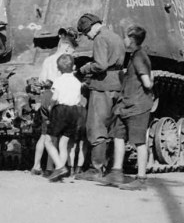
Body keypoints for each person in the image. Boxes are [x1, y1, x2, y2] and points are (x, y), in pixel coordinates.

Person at [74, 13, 125, 181]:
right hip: (116, 84)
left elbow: (101, 65)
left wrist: (84, 69)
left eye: (86, 32)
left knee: (96, 127)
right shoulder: (116, 36)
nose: (87, 37)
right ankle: (110, 166)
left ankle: (95, 169)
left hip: (102, 86)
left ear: (92, 27)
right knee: (112, 129)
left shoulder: (100, 38)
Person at [105, 25, 154, 191]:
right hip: (126, 105)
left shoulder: (139, 56)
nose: (124, 39)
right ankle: (116, 172)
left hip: (137, 106)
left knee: (139, 142)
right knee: (118, 135)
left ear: (131, 39)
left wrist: (149, 81)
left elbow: (147, 82)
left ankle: (141, 179)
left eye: (125, 37)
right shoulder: (135, 55)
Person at [30, 27, 78, 176]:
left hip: (46, 95)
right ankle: (52, 167)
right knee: (56, 136)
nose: (73, 52)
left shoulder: (48, 59)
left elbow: (41, 80)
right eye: (73, 49)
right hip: (58, 98)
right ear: (67, 47)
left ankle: (37, 165)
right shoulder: (67, 61)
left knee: (44, 134)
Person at [44, 54, 85, 182]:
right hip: (74, 111)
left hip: (61, 111)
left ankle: (59, 167)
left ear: (58, 68)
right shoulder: (77, 82)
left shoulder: (59, 80)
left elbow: (55, 97)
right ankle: (60, 172)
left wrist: (50, 106)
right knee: (64, 143)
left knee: (48, 141)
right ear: (74, 67)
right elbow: (78, 99)